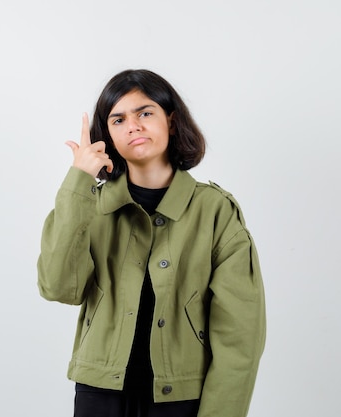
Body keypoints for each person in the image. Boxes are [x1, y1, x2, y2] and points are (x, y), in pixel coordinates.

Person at [37, 69, 266, 417]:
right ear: (108, 135)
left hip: (183, 399)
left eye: (145, 113)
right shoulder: (89, 204)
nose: (133, 126)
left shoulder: (215, 211)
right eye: (118, 119)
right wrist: (78, 180)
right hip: (100, 395)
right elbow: (58, 287)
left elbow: (240, 337)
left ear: (171, 121)